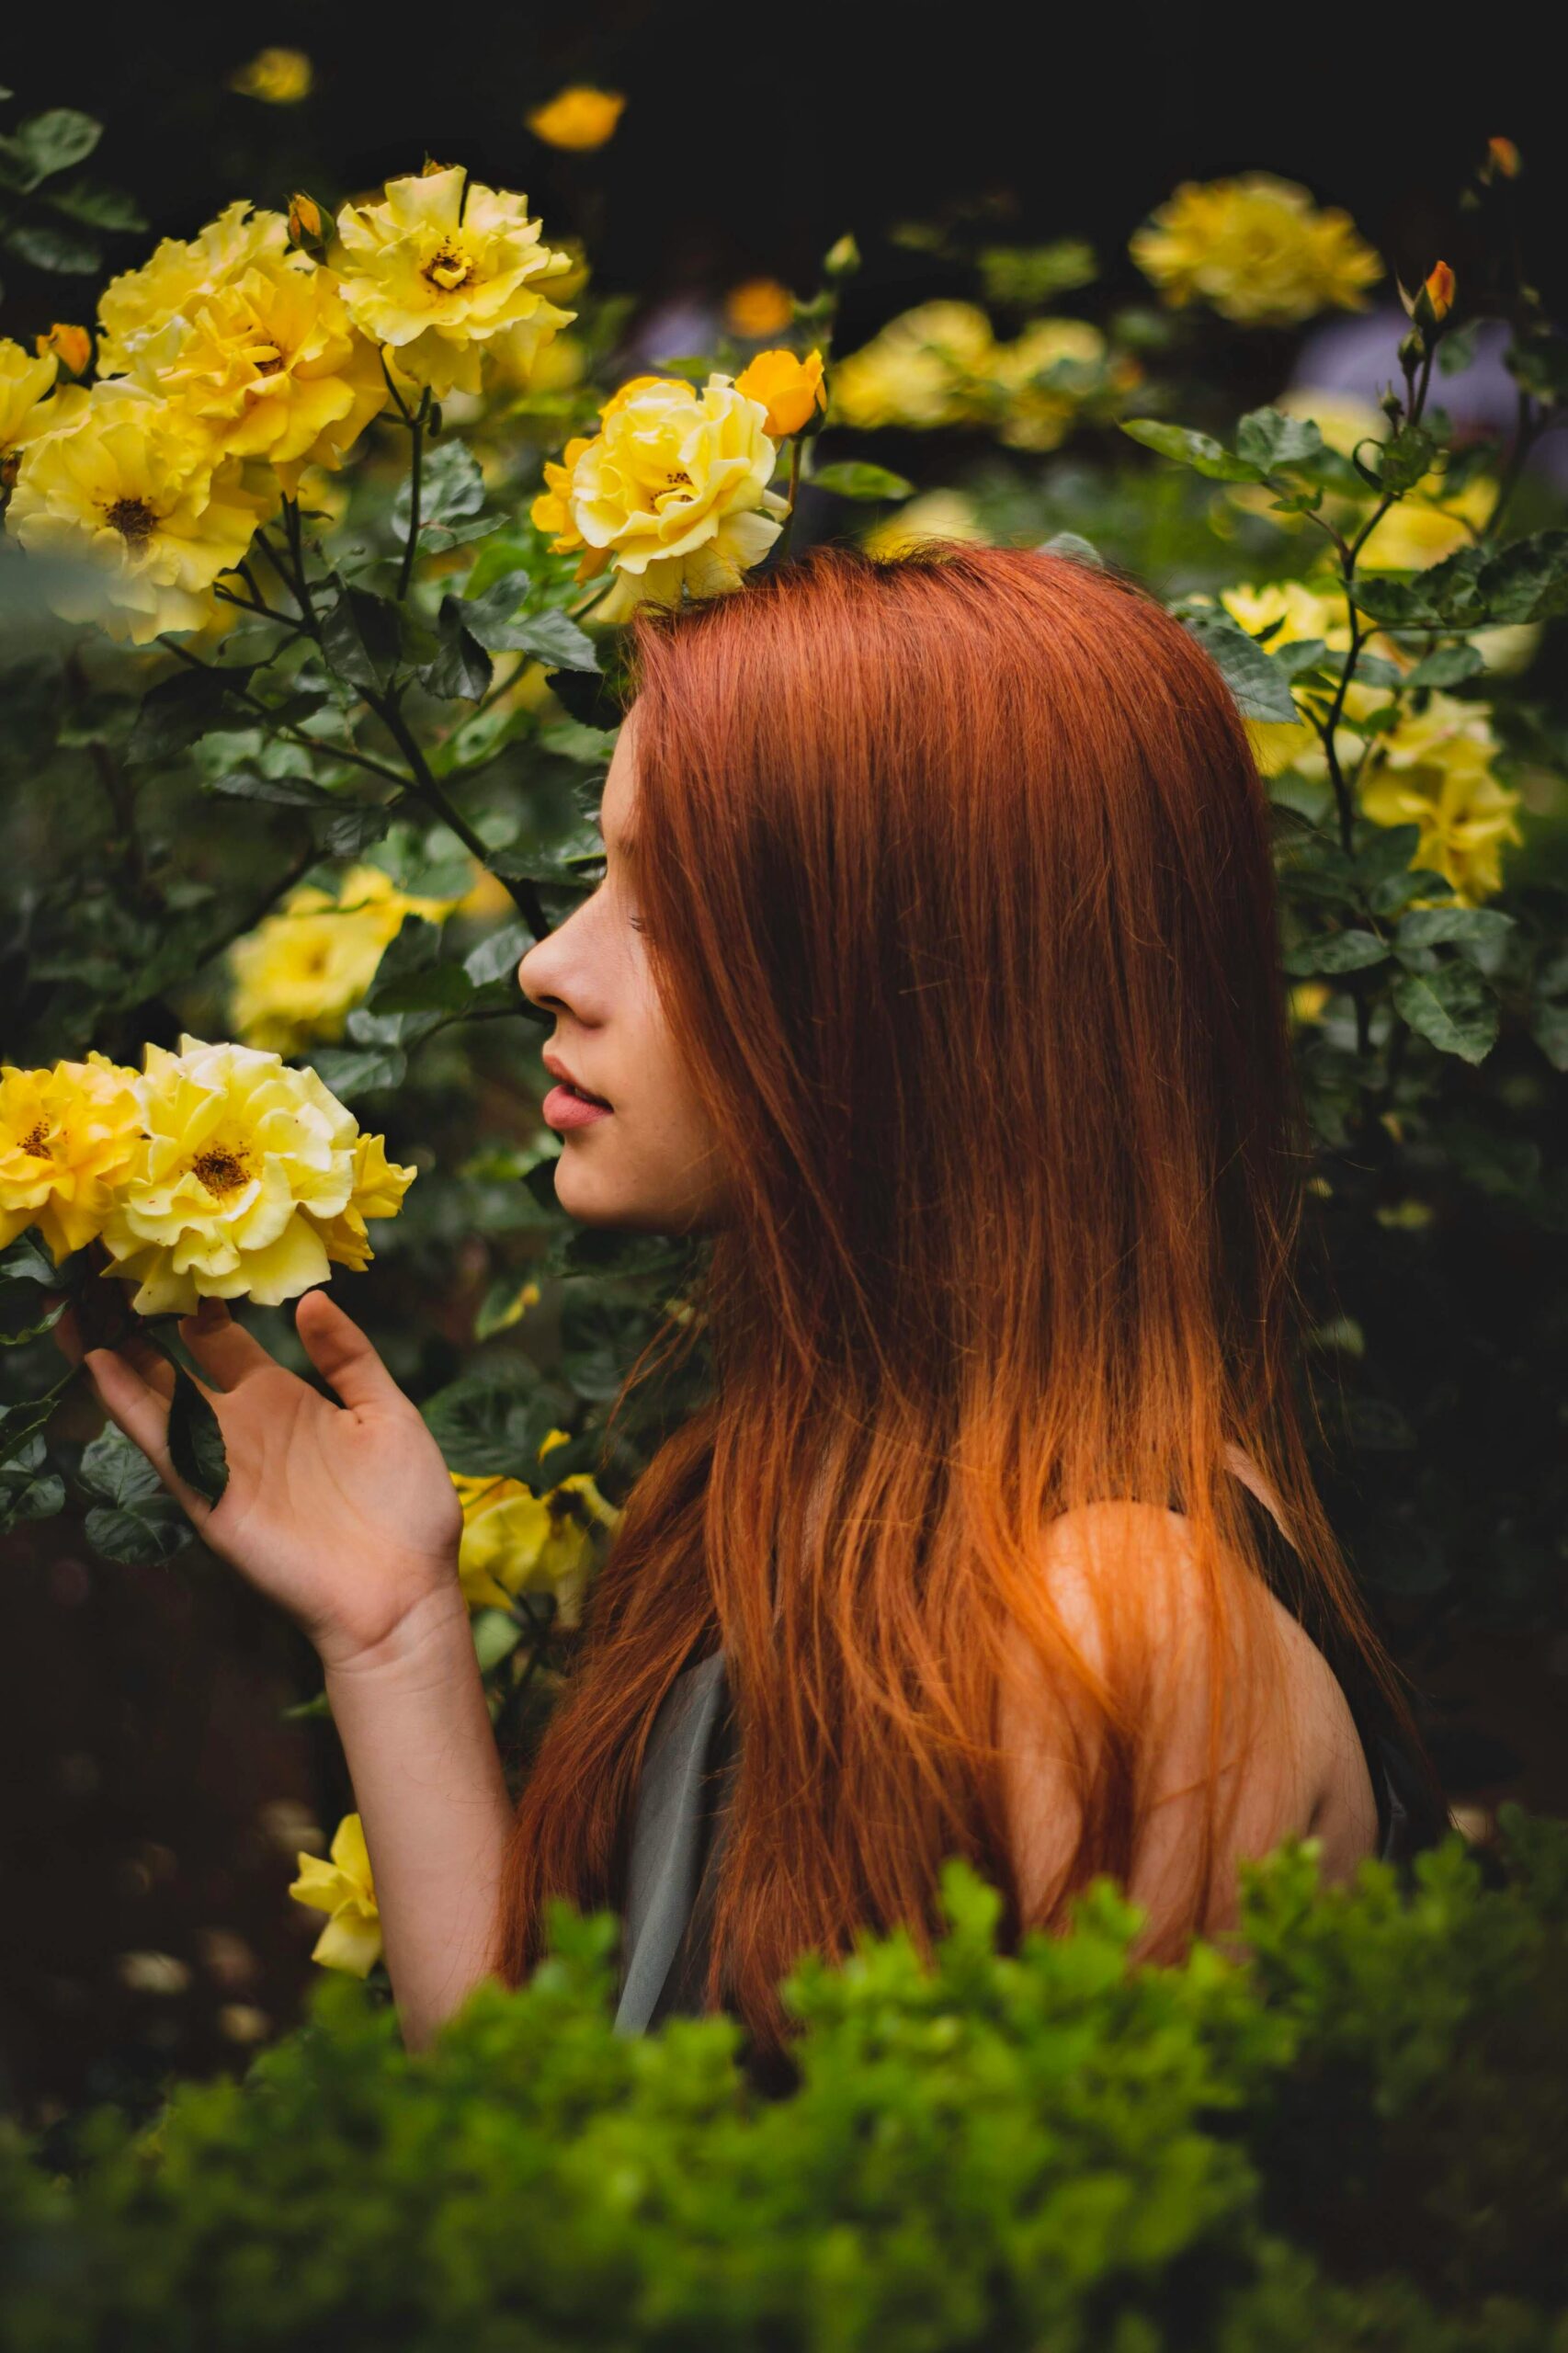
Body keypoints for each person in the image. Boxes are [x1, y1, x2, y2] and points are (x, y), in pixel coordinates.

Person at [57, 543, 1449, 2063]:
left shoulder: (1120, 1624)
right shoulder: (799, 1499)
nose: (546, 964)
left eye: (666, 905)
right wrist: (393, 1627)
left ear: (919, 988)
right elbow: (568, 2178)